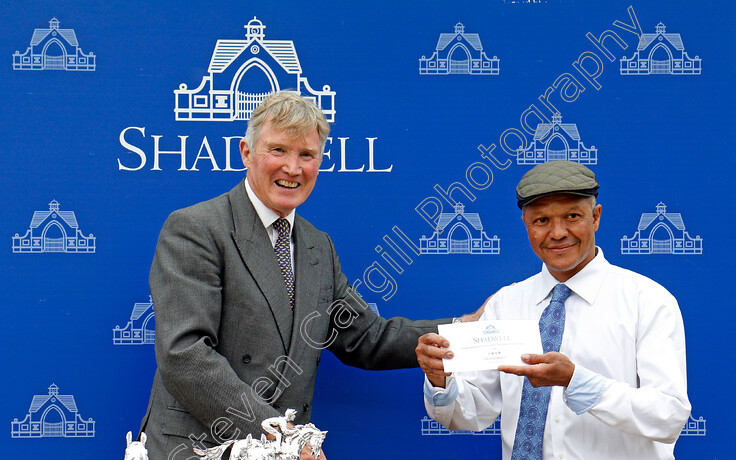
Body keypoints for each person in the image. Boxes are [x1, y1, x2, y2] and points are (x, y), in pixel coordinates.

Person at [139, 91, 461, 460]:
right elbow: (185, 354)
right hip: (203, 447)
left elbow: (365, 337)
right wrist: (285, 440)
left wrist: (461, 329)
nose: (293, 168)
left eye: (306, 155)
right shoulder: (195, 228)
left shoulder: (316, 245)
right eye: (278, 150)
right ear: (246, 152)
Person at [416, 160, 691, 460]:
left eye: (572, 216)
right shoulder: (506, 304)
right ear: (526, 225)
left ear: (596, 217)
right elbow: (472, 412)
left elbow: (668, 415)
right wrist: (440, 379)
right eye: (542, 221)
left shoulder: (648, 301)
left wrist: (575, 381)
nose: (558, 233)